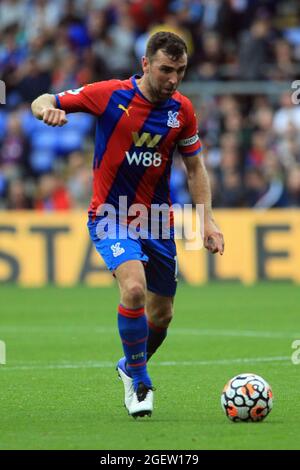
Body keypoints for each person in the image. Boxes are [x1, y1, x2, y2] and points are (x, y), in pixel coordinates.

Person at [31, 31, 224, 418]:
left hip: (156, 220)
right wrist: (46, 110)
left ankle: (128, 364)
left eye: (181, 71)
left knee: (162, 314)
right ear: (146, 65)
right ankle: (139, 381)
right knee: (133, 288)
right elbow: (44, 99)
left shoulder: (182, 110)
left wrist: (207, 219)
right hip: (111, 214)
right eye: (167, 70)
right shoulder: (109, 94)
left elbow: (194, 167)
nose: (173, 79)